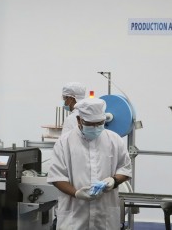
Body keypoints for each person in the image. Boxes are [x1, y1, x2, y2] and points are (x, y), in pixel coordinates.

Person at [47, 98, 132, 230]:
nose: (96, 128)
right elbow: (57, 177)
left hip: (105, 217)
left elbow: (125, 168)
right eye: (91, 124)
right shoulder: (64, 142)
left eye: (100, 123)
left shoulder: (114, 140)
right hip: (74, 217)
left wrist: (113, 181)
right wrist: (77, 193)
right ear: (79, 120)